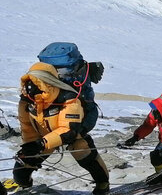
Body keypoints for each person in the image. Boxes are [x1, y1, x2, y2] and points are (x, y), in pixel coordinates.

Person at [14, 62, 109, 194]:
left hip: (73, 135)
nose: (30, 86)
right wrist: (30, 145)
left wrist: (41, 144)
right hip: (44, 138)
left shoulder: (69, 99)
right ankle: (26, 188)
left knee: (88, 160)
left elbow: (68, 131)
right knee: (21, 171)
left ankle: (103, 186)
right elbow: (27, 127)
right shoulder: (27, 101)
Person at [38, 42, 104, 137]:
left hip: (49, 121)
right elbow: (90, 110)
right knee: (78, 141)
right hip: (74, 122)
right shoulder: (81, 73)